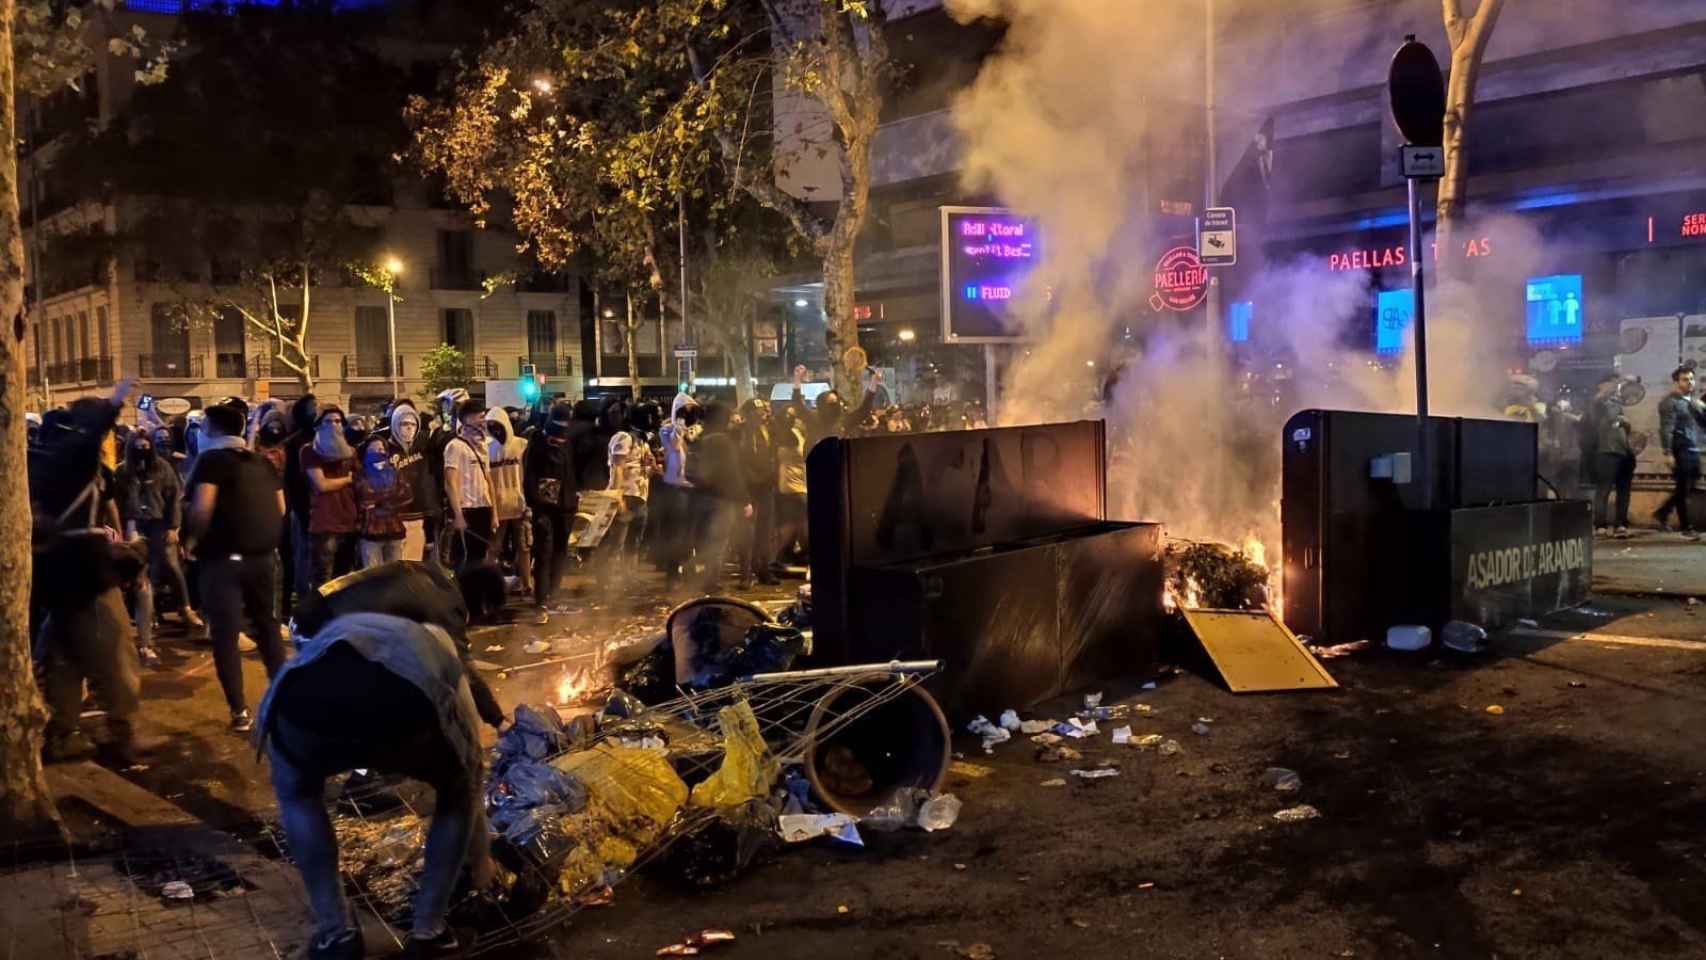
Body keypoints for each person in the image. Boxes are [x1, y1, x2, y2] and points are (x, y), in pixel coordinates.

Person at [258, 612, 493, 960]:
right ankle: (429, 933)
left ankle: (336, 934)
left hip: (304, 708)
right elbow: (469, 754)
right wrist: (480, 864)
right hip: (403, 706)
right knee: (459, 789)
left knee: (298, 793)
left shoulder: (334, 627)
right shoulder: (437, 644)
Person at [33, 385, 148, 763]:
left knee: (62, 658)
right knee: (115, 656)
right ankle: (121, 732)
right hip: (86, 574)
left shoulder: (39, 465)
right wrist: (114, 402)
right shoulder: (74, 460)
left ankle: (61, 732)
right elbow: (91, 435)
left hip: (53, 574)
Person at [184, 403, 287, 732]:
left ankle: (240, 712)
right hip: (263, 557)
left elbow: (202, 507)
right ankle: (284, 700)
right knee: (267, 628)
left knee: (225, 635)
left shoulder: (210, 461)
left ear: (212, 430)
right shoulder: (262, 461)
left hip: (222, 561)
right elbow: (281, 508)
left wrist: (190, 542)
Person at [686, 402, 747, 592]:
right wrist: (744, 499)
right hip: (721, 499)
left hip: (699, 497)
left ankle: (695, 571)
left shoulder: (699, 439)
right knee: (718, 542)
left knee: (705, 539)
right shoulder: (723, 441)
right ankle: (709, 581)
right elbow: (732, 473)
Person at [524, 401, 578, 617]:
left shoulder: (567, 442)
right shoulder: (537, 442)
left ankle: (553, 595)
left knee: (560, 552)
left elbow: (570, 471)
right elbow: (529, 477)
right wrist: (534, 503)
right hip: (544, 507)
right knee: (544, 552)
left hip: (565, 505)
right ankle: (541, 599)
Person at [302, 406, 360, 587]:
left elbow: (360, 480)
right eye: (328, 421)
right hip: (324, 523)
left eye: (337, 421)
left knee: (343, 579)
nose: (334, 425)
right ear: (319, 425)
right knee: (323, 580)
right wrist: (348, 479)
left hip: (348, 520)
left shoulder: (350, 452)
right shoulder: (310, 451)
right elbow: (322, 484)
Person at [444, 397, 497, 570]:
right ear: (467, 419)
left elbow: (488, 480)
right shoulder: (455, 446)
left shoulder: (483, 446)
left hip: (484, 508)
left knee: (481, 555)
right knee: (465, 558)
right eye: (480, 417)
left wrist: (494, 512)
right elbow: (450, 482)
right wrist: (458, 515)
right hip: (466, 509)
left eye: (484, 416)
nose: (484, 421)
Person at [650, 392, 697, 582]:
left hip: (691, 486)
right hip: (674, 487)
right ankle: (672, 571)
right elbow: (674, 447)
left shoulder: (694, 430)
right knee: (675, 531)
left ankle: (687, 566)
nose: (688, 415)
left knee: (689, 531)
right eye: (685, 411)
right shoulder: (666, 430)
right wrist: (679, 428)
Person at [1656, 364, 1706, 539]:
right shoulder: (1669, 403)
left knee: (1687, 486)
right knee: (1683, 489)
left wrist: (1702, 407)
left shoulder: (1693, 402)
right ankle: (1687, 528)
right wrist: (1668, 452)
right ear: (1676, 382)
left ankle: (1663, 512)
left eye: (1691, 379)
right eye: (1685, 379)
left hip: (1693, 448)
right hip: (1680, 449)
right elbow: (1666, 429)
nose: (1690, 382)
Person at [485, 405, 530, 592]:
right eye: (492, 426)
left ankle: (527, 583)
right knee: (494, 547)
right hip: (499, 506)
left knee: (524, 545)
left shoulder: (522, 445)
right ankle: (491, 585)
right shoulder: (487, 449)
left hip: (519, 504)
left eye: (498, 426)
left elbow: (527, 474)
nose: (496, 431)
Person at [604, 400, 652, 576]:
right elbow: (617, 468)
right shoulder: (623, 438)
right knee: (617, 544)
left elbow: (642, 471)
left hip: (640, 499)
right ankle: (609, 581)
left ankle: (628, 578)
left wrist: (651, 467)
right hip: (626, 497)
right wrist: (618, 498)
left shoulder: (641, 441)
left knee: (634, 543)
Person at [387, 401, 437, 562]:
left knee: (414, 564)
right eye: (403, 424)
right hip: (394, 517)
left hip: (417, 515)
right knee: (395, 566)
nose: (409, 428)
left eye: (413, 424)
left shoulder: (423, 445)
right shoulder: (384, 448)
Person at [738, 398, 779, 587]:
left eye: (764, 410)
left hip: (766, 487)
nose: (763, 413)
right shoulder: (741, 433)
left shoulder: (768, 430)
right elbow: (741, 462)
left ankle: (763, 569)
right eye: (759, 411)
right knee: (747, 532)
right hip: (748, 488)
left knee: (765, 531)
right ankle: (745, 574)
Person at [354, 437, 410, 567]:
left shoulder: (395, 471)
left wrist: (378, 503)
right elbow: (364, 497)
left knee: (394, 575)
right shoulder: (360, 474)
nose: (378, 452)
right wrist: (389, 498)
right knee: (373, 576)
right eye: (374, 449)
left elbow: (406, 495)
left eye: (381, 449)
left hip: (394, 530)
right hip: (371, 532)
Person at [1591, 372, 1635, 537]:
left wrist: (1625, 422)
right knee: (1604, 489)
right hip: (1606, 451)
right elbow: (1599, 404)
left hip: (1624, 451)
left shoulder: (1618, 402)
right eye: (1612, 382)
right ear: (1601, 385)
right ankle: (1600, 525)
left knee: (1624, 490)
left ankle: (1621, 525)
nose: (1616, 385)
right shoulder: (1598, 402)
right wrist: (1611, 387)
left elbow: (1624, 427)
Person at [773, 403, 810, 570]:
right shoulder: (784, 436)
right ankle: (785, 554)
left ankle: (790, 553)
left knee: (796, 522)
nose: (796, 419)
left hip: (800, 484)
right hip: (791, 486)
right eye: (791, 416)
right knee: (796, 523)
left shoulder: (796, 433)